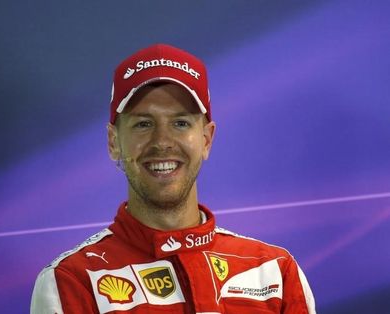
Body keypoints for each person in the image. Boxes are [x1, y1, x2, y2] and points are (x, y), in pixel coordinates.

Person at [31, 43, 316, 313]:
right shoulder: (73, 280)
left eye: (181, 123)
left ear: (206, 139)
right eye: (143, 124)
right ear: (113, 142)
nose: (163, 141)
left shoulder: (274, 273)